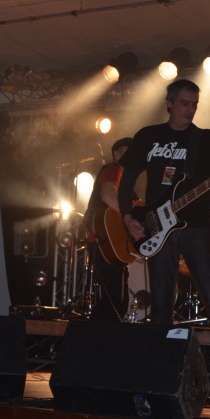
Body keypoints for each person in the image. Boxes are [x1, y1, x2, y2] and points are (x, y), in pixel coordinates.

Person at [117, 79, 210, 389]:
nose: (190, 109)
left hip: (196, 227)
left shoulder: (207, 140)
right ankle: (162, 376)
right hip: (157, 226)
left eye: (194, 104)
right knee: (161, 305)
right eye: (184, 103)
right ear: (169, 103)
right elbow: (126, 182)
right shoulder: (148, 136)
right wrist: (128, 217)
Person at [84, 137, 133, 321]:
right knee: (112, 303)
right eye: (128, 152)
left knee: (116, 302)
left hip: (111, 243)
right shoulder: (112, 170)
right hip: (104, 242)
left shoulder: (125, 180)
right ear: (116, 155)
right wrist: (131, 218)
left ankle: (103, 334)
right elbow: (107, 195)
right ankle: (99, 335)